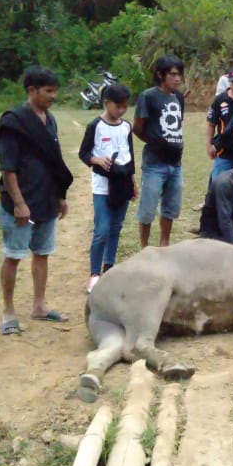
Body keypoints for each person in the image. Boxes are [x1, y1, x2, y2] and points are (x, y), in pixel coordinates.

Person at [0, 66, 74, 335]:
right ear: (31, 90)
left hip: (46, 199)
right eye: (48, 91)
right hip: (21, 203)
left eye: (55, 91)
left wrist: (60, 196)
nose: (53, 96)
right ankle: (8, 312)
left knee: (42, 254)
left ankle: (39, 306)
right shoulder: (13, 122)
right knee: (14, 256)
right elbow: (8, 168)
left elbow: (54, 160)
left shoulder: (49, 120)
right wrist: (18, 203)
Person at [78, 82, 136, 294]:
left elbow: (130, 156)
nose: (121, 110)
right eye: (117, 106)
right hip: (102, 186)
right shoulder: (95, 126)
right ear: (107, 103)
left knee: (116, 228)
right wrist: (96, 160)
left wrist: (132, 183)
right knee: (101, 230)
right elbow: (83, 153)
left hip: (122, 184)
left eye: (125, 106)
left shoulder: (126, 127)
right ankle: (95, 274)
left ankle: (109, 268)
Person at [134, 55, 185, 248]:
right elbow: (138, 127)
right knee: (148, 208)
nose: (177, 79)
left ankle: (165, 243)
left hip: (176, 162)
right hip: (154, 163)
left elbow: (179, 125)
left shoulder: (179, 97)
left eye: (179, 74)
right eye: (172, 74)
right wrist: (155, 142)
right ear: (160, 75)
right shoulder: (148, 96)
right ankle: (144, 246)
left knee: (171, 207)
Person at [206, 67, 233, 182]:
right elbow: (211, 124)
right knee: (219, 185)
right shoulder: (220, 100)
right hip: (224, 151)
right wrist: (209, 144)